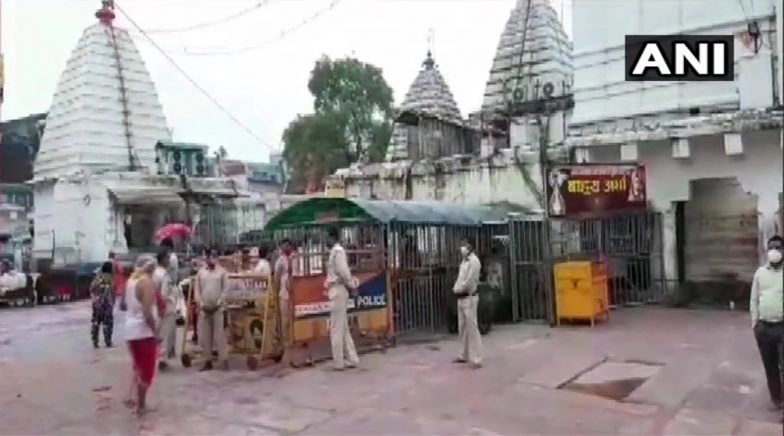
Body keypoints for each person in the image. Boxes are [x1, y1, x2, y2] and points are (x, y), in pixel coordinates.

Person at [750, 235, 784, 412]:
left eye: (778, 247)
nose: (775, 251)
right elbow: (754, 299)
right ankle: (777, 400)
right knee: (770, 366)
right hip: (764, 328)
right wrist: (755, 324)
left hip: (782, 327)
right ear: (766, 250)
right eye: (771, 248)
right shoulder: (760, 273)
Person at [124, 255, 159, 416]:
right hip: (144, 332)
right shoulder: (146, 282)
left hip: (130, 330)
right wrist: (156, 331)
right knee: (147, 370)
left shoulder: (131, 280)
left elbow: (126, 305)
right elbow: (147, 312)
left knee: (139, 367)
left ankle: (138, 402)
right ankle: (141, 406)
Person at [324, 227, 359, 371]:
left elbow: (344, 273)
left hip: (338, 290)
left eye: (328, 237)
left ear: (333, 237)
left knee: (336, 329)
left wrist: (351, 285)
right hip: (338, 290)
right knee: (343, 327)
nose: (326, 240)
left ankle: (338, 362)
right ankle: (352, 358)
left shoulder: (338, 252)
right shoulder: (335, 252)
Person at [194, 249, 229, 371]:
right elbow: (197, 290)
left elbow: (225, 290)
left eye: (214, 256)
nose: (211, 259)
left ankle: (224, 360)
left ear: (216, 258)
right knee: (205, 336)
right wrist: (200, 303)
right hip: (205, 308)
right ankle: (207, 361)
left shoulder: (222, 272)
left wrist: (220, 302)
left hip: (218, 308)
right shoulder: (201, 273)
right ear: (206, 258)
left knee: (220, 336)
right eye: (209, 257)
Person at [452, 239, 483, 369]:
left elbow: (470, 280)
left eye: (464, 245)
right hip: (461, 298)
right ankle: (463, 355)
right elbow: (460, 278)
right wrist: (456, 288)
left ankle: (477, 358)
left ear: (470, 247)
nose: (462, 248)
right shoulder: (464, 261)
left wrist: (460, 288)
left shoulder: (474, 261)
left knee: (472, 328)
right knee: (462, 328)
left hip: (469, 297)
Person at [153, 249, 176, 370]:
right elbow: (164, 293)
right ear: (163, 260)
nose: (169, 260)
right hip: (164, 306)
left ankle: (157, 357)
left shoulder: (153, 273)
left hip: (154, 306)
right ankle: (162, 359)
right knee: (165, 333)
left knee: (157, 333)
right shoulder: (164, 275)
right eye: (167, 258)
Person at [274, 239, 294, 365]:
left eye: (287, 245)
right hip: (284, 293)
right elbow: (276, 277)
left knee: (293, 318)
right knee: (284, 320)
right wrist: (275, 293)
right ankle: (285, 344)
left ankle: (293, 341)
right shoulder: (280, 261)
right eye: (283, 246)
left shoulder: (295, 258)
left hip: (295, 293)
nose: (285, 248)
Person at [89, 262, 115, 348]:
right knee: (107, 323)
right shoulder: (109, 278)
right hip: (106, 303)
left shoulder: (97, 277)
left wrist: (96, 299)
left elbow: (91, 289)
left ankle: (95, 342)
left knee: (96, 322)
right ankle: (108, 341)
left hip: (96, 303)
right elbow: (110, 291)